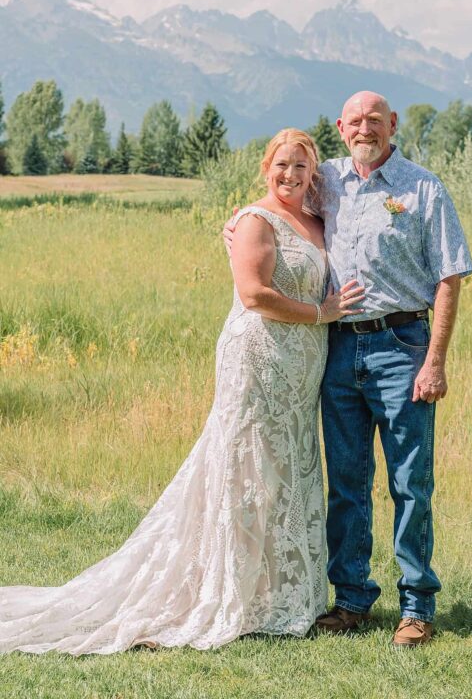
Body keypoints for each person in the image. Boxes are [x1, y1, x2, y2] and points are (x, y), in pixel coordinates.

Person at [0, 129, 363, 655]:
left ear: (314, 175)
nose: (291, 175)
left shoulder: (314, 220)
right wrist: (319, 314)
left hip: (302, 368)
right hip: (258, 358)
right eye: (282, 165)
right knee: (247, 469)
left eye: (302, 167)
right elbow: (254, 294)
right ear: (266, 168)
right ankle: (231, 593)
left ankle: (281, 595)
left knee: (285, 469)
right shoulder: (255, 220)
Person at [225, 91, 472, 647]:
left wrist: (435, 360)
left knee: (411, 483)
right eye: (355, 122)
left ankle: (417, 608)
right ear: (341, 127)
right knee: (347, 483)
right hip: (338, 350)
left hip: (403, 346)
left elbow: (450, 276)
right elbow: (277, 193)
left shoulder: (422, 187)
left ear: (393, 124)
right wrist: (240, 225)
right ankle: (352, 599)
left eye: (375, 121)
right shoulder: (327, 179)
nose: (366, 129)